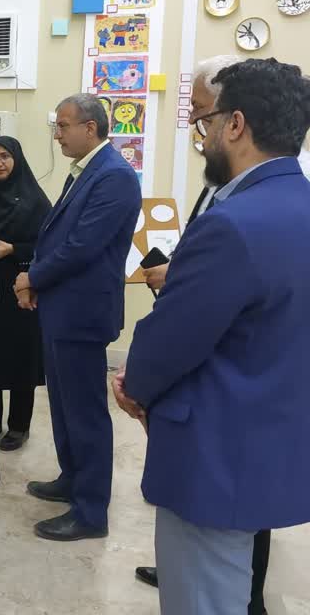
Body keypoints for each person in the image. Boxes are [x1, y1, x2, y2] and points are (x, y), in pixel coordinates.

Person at [114, 58, 310, 615]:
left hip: (214, 457)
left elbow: (172, 338)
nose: (201, 141)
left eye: (205, 124)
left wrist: (134, 385)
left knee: (202, 600)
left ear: (236, 124)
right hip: (273, 441)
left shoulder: (232, 223)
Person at [14, 94, 141, 541]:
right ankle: (72, 479)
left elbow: (81, 247)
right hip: (62, 308)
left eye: (63, 126)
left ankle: (90, 512)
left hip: (82, 312)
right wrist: (37, 279)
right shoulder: (86, 170)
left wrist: (32, 277)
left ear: (91, 128)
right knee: (65, 407)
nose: (57, 135)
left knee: (85, 413)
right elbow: (55, 235)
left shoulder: (114, 176)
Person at [0, 137, 52, 451]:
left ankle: (19, 425)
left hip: (21, 287)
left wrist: (13, 248)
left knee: (21, 355)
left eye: (4, 156)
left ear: (16, 159)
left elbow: (49, 245)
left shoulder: (35, 199)